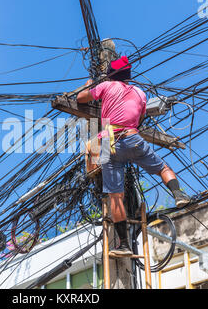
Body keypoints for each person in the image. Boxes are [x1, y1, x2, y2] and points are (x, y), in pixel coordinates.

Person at [76, 56, 191, 256]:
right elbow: (140, 117)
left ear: (111, 75)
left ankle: (123, 245)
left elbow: (80, 98)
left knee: (115, 196)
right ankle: (178, 195)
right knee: (163, 168)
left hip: (108, 142)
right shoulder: (140, 93)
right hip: (133, 138)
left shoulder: (106, 86)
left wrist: (88, 85)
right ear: (128, 75)